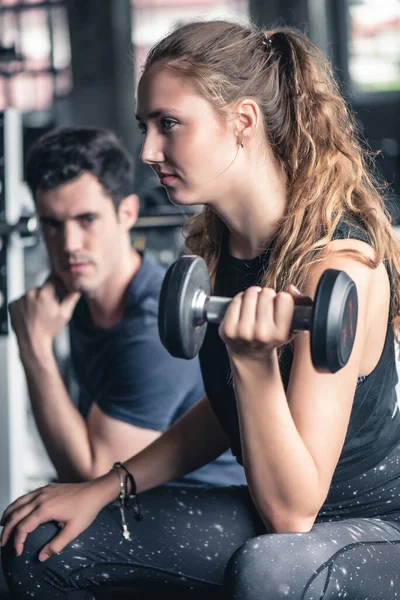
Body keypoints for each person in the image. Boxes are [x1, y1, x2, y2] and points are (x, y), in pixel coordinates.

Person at [2, 19, 400, 600]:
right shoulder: (220, 245)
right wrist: (109, 486)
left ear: (242, 122)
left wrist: (254, 363)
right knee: (39, 543)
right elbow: (221, 413)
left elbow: (294, 513)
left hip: (368, 530)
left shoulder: (338, 268)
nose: (147, 150)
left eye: (169, 125)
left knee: (272, 570)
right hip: (272, 518)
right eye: (145, 127)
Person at [5, 126, 244, 488]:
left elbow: (92, 477)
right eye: (52, 224)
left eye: (87, 220)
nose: (69, 244)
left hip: (206, 502)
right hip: (143, 498)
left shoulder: (154, 326)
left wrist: (34, 349)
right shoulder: (78, 301)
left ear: (127, 213)